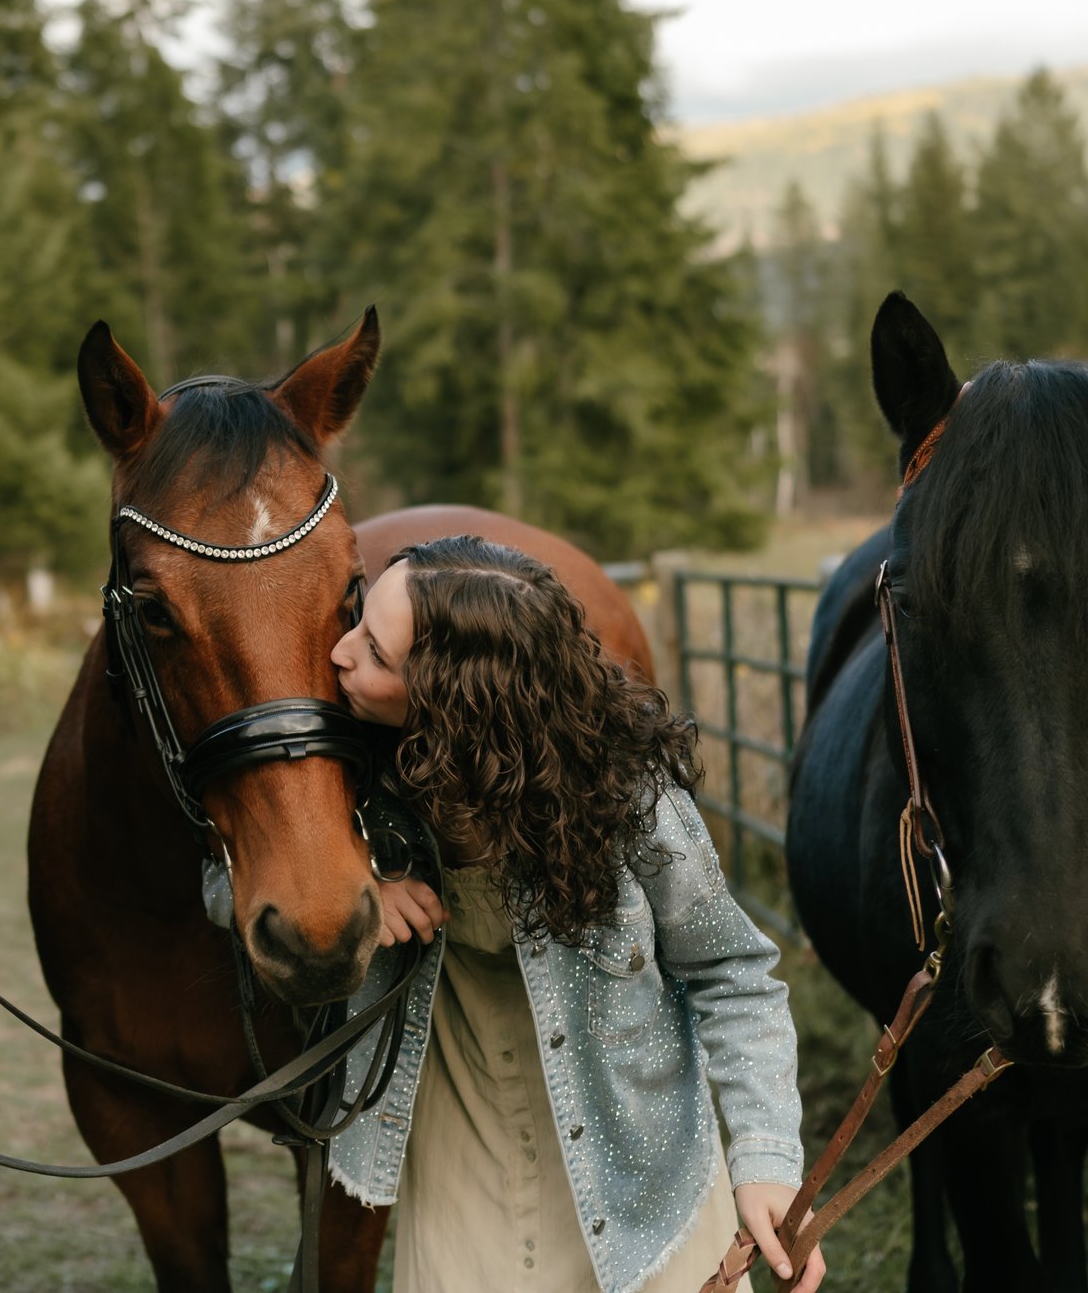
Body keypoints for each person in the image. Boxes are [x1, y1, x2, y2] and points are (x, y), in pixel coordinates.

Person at [326, 535, 824, 1293]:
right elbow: (221, 880)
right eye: (361, 623)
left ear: (456, 702)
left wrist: (766, 1159)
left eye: (375, 652)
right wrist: (351, 886)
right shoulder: (350, 768)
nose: (337, 652)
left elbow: (735, 974)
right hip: (466, 1159)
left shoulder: (632, 798)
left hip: (643, 1164)